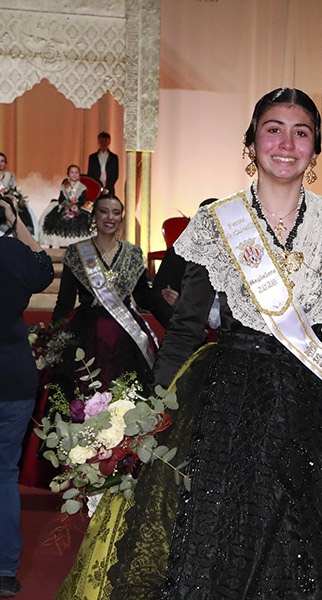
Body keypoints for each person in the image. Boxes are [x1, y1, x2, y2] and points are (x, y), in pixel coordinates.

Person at [59, 88, 322, 600]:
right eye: (273, 130)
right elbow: (186, 328)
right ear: (252, 143)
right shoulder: (217, 222)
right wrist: (149, 405)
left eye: (301, 133)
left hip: (320, 401)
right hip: (233, 402)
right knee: (228, 540)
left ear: (315, 149)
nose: (287, 143)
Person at [51, 196, 172, 392]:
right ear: (94, 216)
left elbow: (143, 296)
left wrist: (174, 321)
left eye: (116, 213)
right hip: (85, 331)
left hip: (125, 334)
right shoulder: (76, 253)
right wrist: (52, 336)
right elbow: (65, 300)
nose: (110, 218)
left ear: (121, 219)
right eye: (104, 211)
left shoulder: (133, 254)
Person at [0, 196, 54, 598]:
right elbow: (44, 267)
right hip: (14, 376)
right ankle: (4, 568)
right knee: (4, 473)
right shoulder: (16, 253)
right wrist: (16, 221)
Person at [39, 164, 93, 247]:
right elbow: (61, 198)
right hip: (65, 206)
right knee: (58, 218)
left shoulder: (82, 187)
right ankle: (62, 244)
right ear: (68, 174)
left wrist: (75, 205)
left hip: (77, 208)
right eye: (72, 172)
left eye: (76, 172)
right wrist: (67, 205)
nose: (74, 174)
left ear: (79, 174)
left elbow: (82, 200)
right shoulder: (64, 186)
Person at [0, 153, 35, 238]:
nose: (0, 163)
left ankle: (26, 228)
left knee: (20, 204)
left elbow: (14, 190)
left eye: (2, 161)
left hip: (9, 198)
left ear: (5, 163)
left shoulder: (9, 176)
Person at [87, 132, 119, 198]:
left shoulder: (114, 157)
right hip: (96, 186)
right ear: (98, 141)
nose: (104, 143)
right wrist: (95, 185)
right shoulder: (92, 157)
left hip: (109, 187)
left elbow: (115, 174)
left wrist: (108, 187)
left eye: (106, 141)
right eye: (102, 141)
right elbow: (90, 173)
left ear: (109, 142)